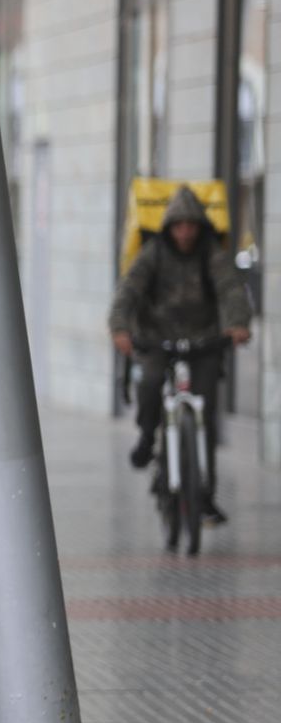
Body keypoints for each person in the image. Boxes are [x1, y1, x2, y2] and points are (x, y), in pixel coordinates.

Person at [109, 185, 252, 523]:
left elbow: (230, 289)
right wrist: (120, 328)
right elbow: (129, 290)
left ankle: (204, 496)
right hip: (158, 338)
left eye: (191, 225)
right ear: (169, 227)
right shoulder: (153, 253)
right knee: (150, 383)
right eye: (179, 225)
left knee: (205, 415)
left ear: (200, 226)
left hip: (203, 341)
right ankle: (147, 436)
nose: (185, 232)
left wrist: (238, 323)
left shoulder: (210, 253)